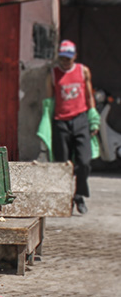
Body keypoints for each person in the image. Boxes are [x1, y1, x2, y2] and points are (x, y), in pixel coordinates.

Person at [46, 40, 100, 214]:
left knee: (84, 161)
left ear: (74, 56)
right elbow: (48, 101)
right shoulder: (53, 74)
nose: (65, 62)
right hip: (60, 122)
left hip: (80, 119)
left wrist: (93, 117)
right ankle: (65, 198)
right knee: (63, 164)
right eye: (62, 58)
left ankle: (79, 195)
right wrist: (45, 124)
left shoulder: (83, 71)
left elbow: (89, 96)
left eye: (68, 59)